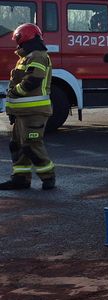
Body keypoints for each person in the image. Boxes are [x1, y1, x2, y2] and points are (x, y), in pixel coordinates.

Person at [2, 23, 56, 190]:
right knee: (17, 146)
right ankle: (20, 179)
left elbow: (33, 80)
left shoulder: (38, 55)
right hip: (22, 112)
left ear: (24, 37)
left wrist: (15, 93)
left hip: (34, 112)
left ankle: (48, 177)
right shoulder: (26, 57)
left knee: (31, 144)